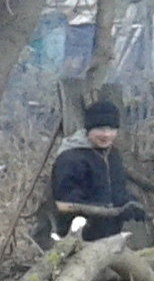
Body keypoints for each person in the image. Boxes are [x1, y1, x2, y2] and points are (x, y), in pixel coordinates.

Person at [51, 97, 143, 242]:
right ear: (89, 129)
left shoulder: (112, 155)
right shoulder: (71, 158)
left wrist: (130, 204)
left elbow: (118, 191)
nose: (106, 135)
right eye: (100, 129)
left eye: (111, 129)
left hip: (110, 236)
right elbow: (67, 199)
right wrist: (100, 210)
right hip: (78, 238)